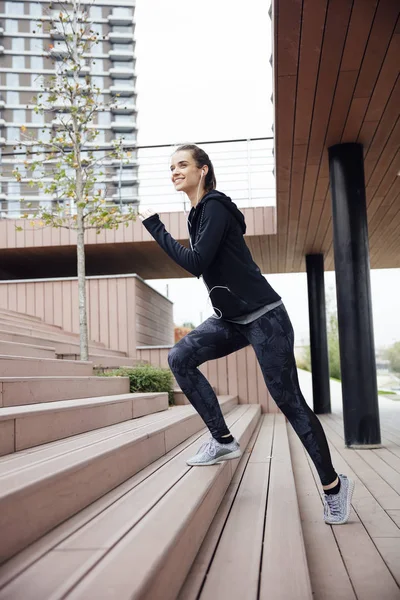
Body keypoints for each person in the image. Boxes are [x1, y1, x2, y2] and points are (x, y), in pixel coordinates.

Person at [139, 144, 354, 525]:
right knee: (180, 358)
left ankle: (334, 488)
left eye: (182, 165)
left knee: (289, 402)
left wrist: (154, 225)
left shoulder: (216, 206)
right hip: (231, 318)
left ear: (203, 170)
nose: (174, 171)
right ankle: (223, 441)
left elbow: (196, 263)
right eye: (171, 167)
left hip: (265, 317)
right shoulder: (197, 213)